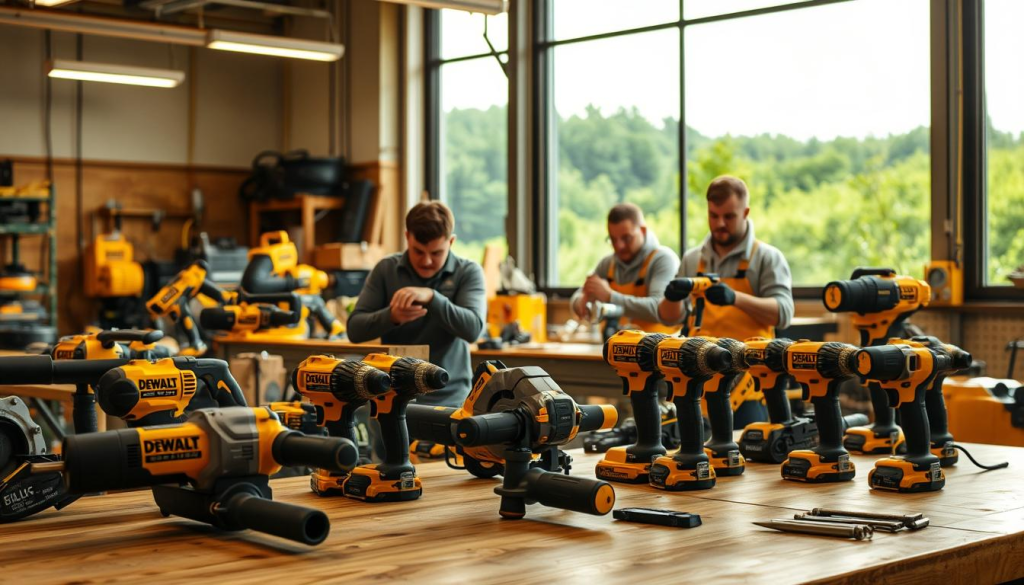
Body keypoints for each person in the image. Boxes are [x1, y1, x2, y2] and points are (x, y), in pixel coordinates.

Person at [659, 175, 794, 425]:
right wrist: (670, 297)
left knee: (749, 457)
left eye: (729, 216)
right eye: (713, 215)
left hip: (749, 384)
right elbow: (670, 316)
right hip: (698, 379)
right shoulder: (692, 259)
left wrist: (735, 298)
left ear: (746, 212)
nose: (720, 223)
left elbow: (783, 312)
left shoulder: (766, 257)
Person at [348, 201, 486, 407]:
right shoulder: (386, 269)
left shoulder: (468, 272)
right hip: (391, 396)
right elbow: (354, 330)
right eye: (418, 251)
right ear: (407, 237)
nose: (427, 261)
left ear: (451, 242)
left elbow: (473, 329)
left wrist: (433, 297)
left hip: (450, 398)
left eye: (436, 253)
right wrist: (392, 316)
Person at [570, 202, 680, 335]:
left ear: (643, 231)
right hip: (616, 348)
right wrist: (582, 301)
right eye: (613, 239)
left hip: (657, 349)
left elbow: (660, 309)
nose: (619, 246)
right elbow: (578, 296)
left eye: (626, 238)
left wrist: (610, 296)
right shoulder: (607, 264)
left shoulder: (663, 260)